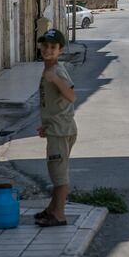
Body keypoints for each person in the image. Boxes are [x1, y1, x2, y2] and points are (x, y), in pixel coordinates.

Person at [35, 28, 77, 227]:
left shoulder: (56, 71)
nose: (48, 50)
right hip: (56, 128)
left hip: (61, 130)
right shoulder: (47, 69)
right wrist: (46, 126)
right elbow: (50, 103)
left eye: (53, 47)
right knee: (55, 171)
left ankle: (59, 215)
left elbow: (71, 96)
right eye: (45, 46)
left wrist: (56, 80)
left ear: (60, 50)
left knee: (59, 175)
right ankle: (52, 209)